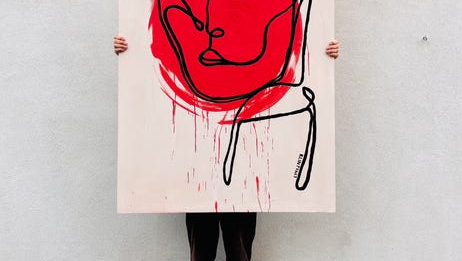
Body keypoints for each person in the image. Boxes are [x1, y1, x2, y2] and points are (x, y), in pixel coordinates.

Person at [114, 35, 339, 261]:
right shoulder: (195, 58)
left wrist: (321, 52)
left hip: (242, 168)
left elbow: (287, 54)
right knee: (202, 250)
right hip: (200, 167)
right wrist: (131, 48)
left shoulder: (250, 51)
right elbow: (160, 59)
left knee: (238, 250)